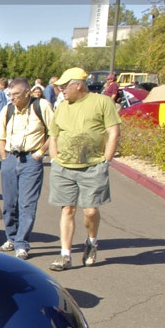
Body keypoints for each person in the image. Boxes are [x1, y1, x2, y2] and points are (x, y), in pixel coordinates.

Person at [47, 67, 122, 271]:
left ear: (78, 85)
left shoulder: (102, 102)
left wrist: (106, 159)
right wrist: (54, 158)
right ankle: (65, 255)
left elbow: (113, 132)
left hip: (92, 167)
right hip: (64, 167)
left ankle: (91, 241)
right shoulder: (62, 107)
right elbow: (53, 135)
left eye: (64, 86)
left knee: (90, 211)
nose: (61, 90)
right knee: (68, 209)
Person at [0, 77, 54, 259]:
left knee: (27, 203)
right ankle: (10, 237)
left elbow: (54, 132)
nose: (13, 98)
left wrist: (40, 153)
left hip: (31, 159)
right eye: (10, 94)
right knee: (10, 203)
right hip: (11, 158)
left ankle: (22, 243)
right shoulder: (8, 109)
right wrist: (4, 157)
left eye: (16, 94)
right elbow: (0, 135)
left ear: (27, 93)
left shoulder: (41, 106)